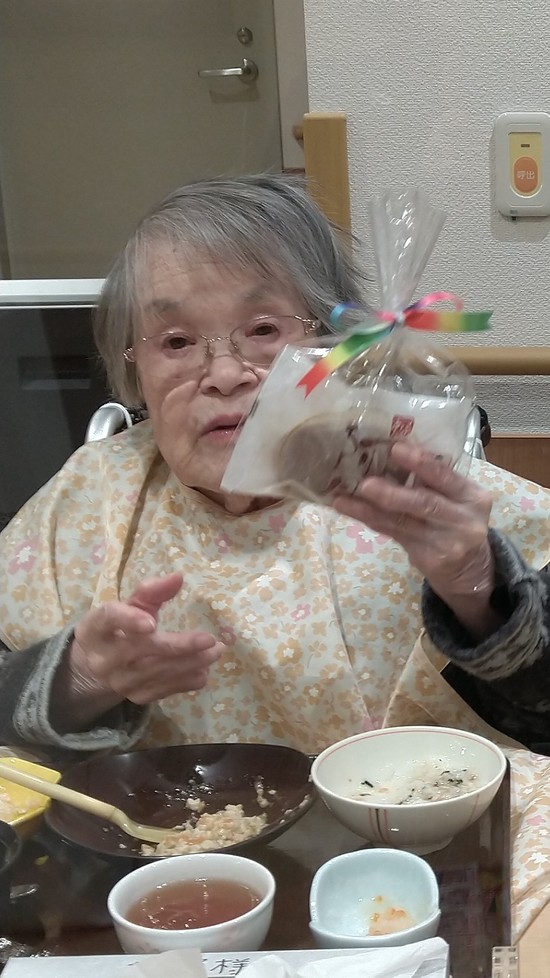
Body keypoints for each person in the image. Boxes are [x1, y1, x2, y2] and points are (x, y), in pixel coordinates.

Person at [1, 173, 550, 762]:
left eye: (263, 329)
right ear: (134, 367)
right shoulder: (92, 494)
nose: (224, 374)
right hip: (157, 820)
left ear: (337, 343)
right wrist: (79, 676)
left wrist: (479, 594)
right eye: (177, 341)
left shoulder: (421, 490)